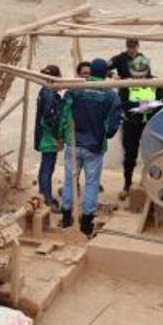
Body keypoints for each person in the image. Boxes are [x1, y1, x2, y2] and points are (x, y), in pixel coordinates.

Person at [59, 58, 122, 236]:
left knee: (70, 180)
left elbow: (65, 112)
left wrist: (64, 135)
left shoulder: (76, 89)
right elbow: (114, 120)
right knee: (92, 183)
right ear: (105, 73)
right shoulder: (110, 94)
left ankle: (66, 217)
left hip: (73, 143)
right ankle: (86, 223)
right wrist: (107, 134)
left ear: (91, 71)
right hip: (94, 146)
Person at [118, 55, 163, 200]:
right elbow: (122, 104)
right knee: (129, 156)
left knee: (154, 155)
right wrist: (139, 106)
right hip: (132, 124)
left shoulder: (156, 83)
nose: (139, 79)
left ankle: (153, 183)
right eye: (136, 76)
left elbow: (162, 102)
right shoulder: (126, 85)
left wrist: (151, 107)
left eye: (142, 76)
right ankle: (127, 184)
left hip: (151, 125)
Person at [33, 65, 62, 211]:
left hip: (44, 135)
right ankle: (47, 199)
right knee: (47, 167)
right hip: (48, 136)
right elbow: (50, 119)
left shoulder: (44, 91)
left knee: (46, 166)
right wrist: (58, 137)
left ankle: (43, 194)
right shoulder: (49, 94)